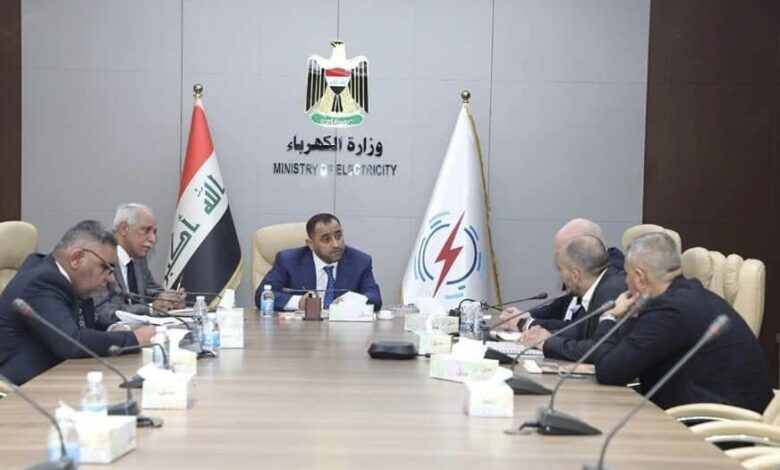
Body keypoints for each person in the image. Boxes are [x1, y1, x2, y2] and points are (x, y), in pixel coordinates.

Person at [593, 232, 773, 412]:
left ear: (640, 277)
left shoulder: (669, 311)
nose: (625, 281)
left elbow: (609, 372)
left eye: (627, 274)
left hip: (719, 423)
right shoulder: (687, 296)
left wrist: (609, 317)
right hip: (722, 410)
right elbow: (622, 357)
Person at [0, 220, 155, 385]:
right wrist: (133, 339)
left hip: (57, 376)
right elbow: (71, 342)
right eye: (106, 267)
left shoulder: (67, 280)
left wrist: (113, 329)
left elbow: (85, 325)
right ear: (76, 258)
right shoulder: (40, 282)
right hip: (23, 389)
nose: (111, 279)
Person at [500, 218, 624, 332]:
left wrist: (527, 323)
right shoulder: (590, 271)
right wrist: (525, 316)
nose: (559, 260)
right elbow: (563, 304)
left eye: (562, 253)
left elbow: (580, 329)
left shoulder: (611, 279)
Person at [518, 235, 627, 362]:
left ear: (575, 275)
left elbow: (597, 350)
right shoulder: (602, 285)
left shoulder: (611, 291)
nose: (560, 277)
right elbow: (581, 331)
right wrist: (547, 336)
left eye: (560, 270)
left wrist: (546, 343)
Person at [256, 213, 382, 311]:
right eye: (326, 240)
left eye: (338, 236)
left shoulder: (360, 261)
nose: (336, 244)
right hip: (301, 331)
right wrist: (299, 302)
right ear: (310, 244)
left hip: (342, 331)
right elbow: (262, 295)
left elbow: (374, 297)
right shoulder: (288, 260)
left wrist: (353, 301)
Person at [92, 203, 185, 327]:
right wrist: (151, 308)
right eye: (146, 230)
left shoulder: (139, 258)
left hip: (142, 331)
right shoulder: (99, 258)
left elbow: (151, 291)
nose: (153, 239)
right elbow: (101, 312)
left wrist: (170, 299)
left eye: (154, 232)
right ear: (124, 229)